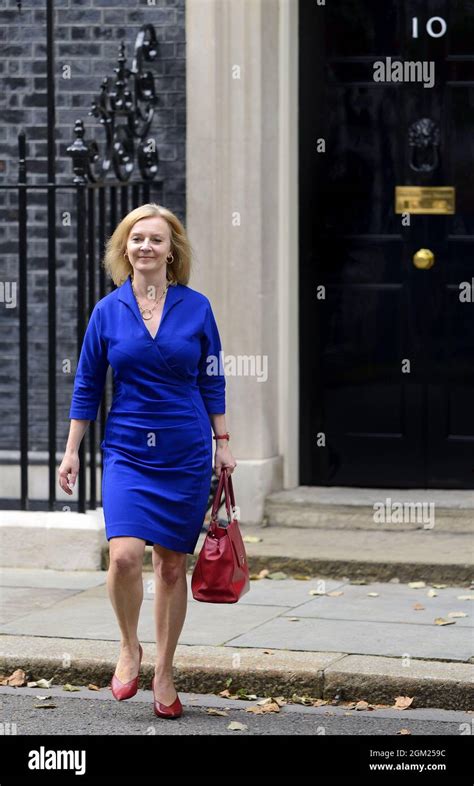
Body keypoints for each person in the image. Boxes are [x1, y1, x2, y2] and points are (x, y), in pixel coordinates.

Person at [58, 203, 236, 719]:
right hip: (129, 449)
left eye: (156, 239)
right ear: (124, 248)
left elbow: (211, 377)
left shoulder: (197, 307)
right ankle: (128, 646)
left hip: (184, 448)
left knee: (172, 565)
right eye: (136, 239)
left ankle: (164, 670)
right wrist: (71, 451)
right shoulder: (108, 311)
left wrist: (223, 443)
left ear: (171, 250)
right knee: (124, 556)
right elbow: (88, 383)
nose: (145, 247)